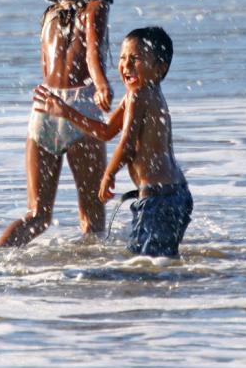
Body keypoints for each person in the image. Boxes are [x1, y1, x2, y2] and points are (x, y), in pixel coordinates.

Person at [0, 0, 114, 247]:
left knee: (37, 217)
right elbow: (91, 56)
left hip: (43, 109)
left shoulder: (48, 14)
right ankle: (92, 281)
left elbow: (49, 66)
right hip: (80, 107)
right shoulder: (95, 8)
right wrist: (101, 84)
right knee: (92, 219)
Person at [38, 26, 193, 258]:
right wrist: (65, 111)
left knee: (144, 264)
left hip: (156, 199)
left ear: (160, 67)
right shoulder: (148, 94)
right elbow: (106, 131)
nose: (126, 66)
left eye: (136, 59)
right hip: (177, 194)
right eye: (122, 58)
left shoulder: (138, 95)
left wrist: (108, 174)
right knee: (160, 261)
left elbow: (128, 145)